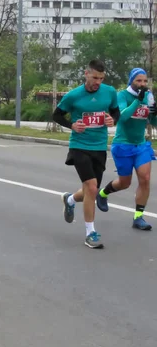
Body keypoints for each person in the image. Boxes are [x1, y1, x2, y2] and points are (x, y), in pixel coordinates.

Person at [52, 59, 120, 249]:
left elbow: (116, 112)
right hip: (79, 145)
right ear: (86, 74)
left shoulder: (109, 92)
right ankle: (90, 233)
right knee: (91, 187)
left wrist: (112, 120)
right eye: (95, 77)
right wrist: (72, 125)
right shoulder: (73, 95)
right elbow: (56, 115)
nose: (98, 81)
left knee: (92, 189)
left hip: (99, 146)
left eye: (101, 78)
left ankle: (70, 199)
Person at [95, 68, 156, 231]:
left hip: (141, 145)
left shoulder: (148, 97)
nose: (142, 84)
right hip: (123, 145)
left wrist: (155, 113)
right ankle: (102, 193)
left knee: (145, 178)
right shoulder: (122, 96)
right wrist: (137, 101)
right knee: (124, 182)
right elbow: (122, 117)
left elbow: (153, 122)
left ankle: (138, 217)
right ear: (131, 81)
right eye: (139, 81)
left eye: (144, 81)